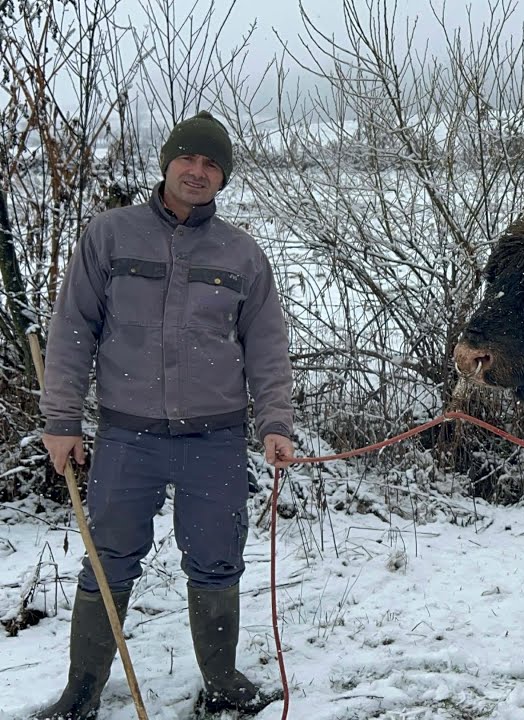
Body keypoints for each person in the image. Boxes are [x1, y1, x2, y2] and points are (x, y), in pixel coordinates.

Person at [36, 111, 296, 719]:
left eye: (212, 165)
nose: (198, 172)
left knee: (217, 558)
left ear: (223, 177)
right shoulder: (109, 236)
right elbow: (73, 329)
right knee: (109, 557)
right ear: (168, 162)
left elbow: (266, 345)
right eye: (189, 159)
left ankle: (223, 682)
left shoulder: (241, 254)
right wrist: (61, 421)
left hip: (216, 438)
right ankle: (81, 693)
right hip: (129, 436)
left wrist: (275, 423)